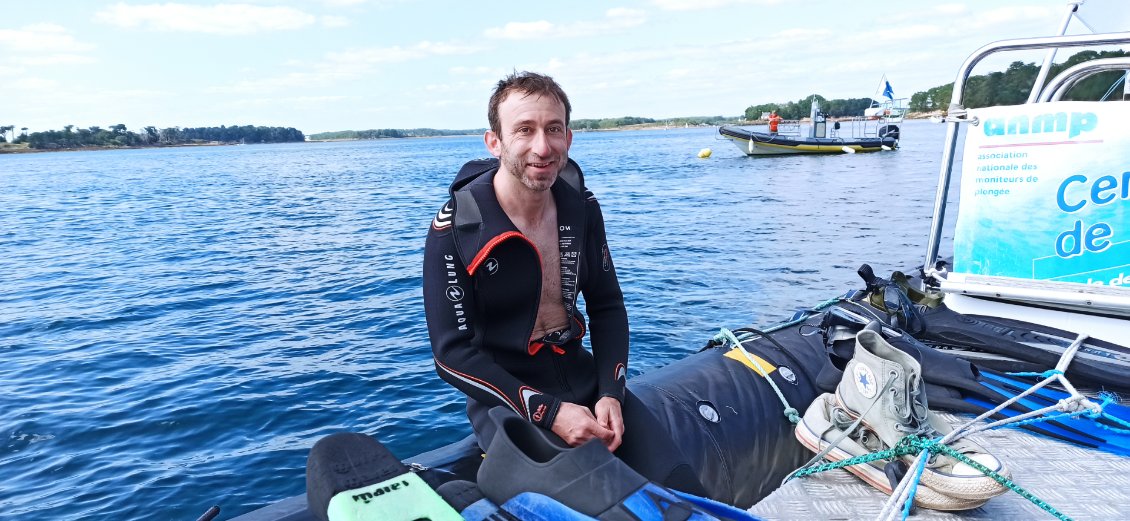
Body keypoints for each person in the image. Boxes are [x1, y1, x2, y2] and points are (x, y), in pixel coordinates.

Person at [423, 71, 705, 496]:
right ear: (494, 142)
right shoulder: (458, 228)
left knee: (683, 492)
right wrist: (547, 412)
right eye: (524, 130)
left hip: (583, 377)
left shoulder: (582, 209)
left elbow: (607, 305)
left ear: (569, 138)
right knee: (601, 505)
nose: (542, 146)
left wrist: (611, 392)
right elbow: (451, 354)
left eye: (553, 129)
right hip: (509, 399)